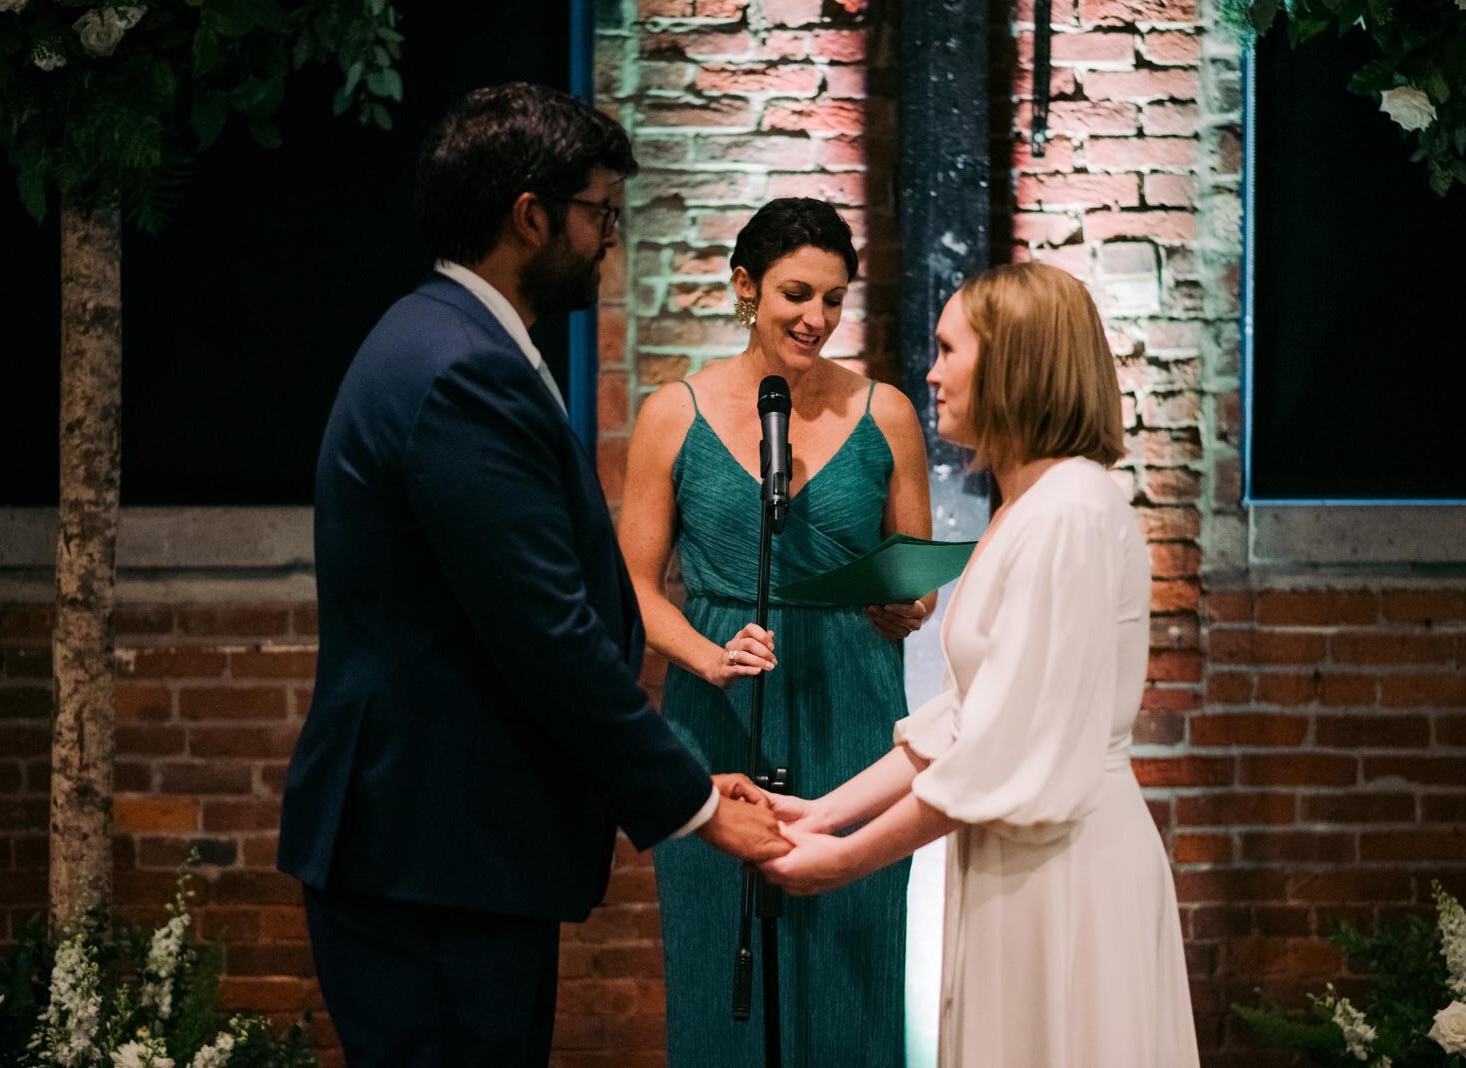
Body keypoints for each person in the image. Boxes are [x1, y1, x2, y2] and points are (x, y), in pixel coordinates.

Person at [275, 83, 789, 1068]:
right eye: (598, 213)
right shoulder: (460, 369)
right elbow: (544, 630)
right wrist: (693, 805)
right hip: (432, 862)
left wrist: (682, 774)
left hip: (441, 849)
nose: (608, 239)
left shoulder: (445, 339)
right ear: (529, 216)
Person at [758, 262, 1200, 1067]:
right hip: (1020, 861)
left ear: (1013, 364)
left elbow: (998, 747)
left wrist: (843, 862)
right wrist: (821, 813)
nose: (930, 371)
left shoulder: (1068, 515)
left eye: (948, 348)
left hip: (1067, 873)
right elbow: (965, 716)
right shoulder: (1029, 507)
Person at [618, 197, 934, 1066]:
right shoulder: (670, 415)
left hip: (854, 712)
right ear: (745, 286)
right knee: (722, 975)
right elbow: (633, 589)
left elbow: (913, 579)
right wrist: (706, 656)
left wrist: (908, 605)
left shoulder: (888, 414)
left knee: (851, 970)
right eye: (798, 293)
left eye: (834, 300)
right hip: (718, 716)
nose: (817, 319)